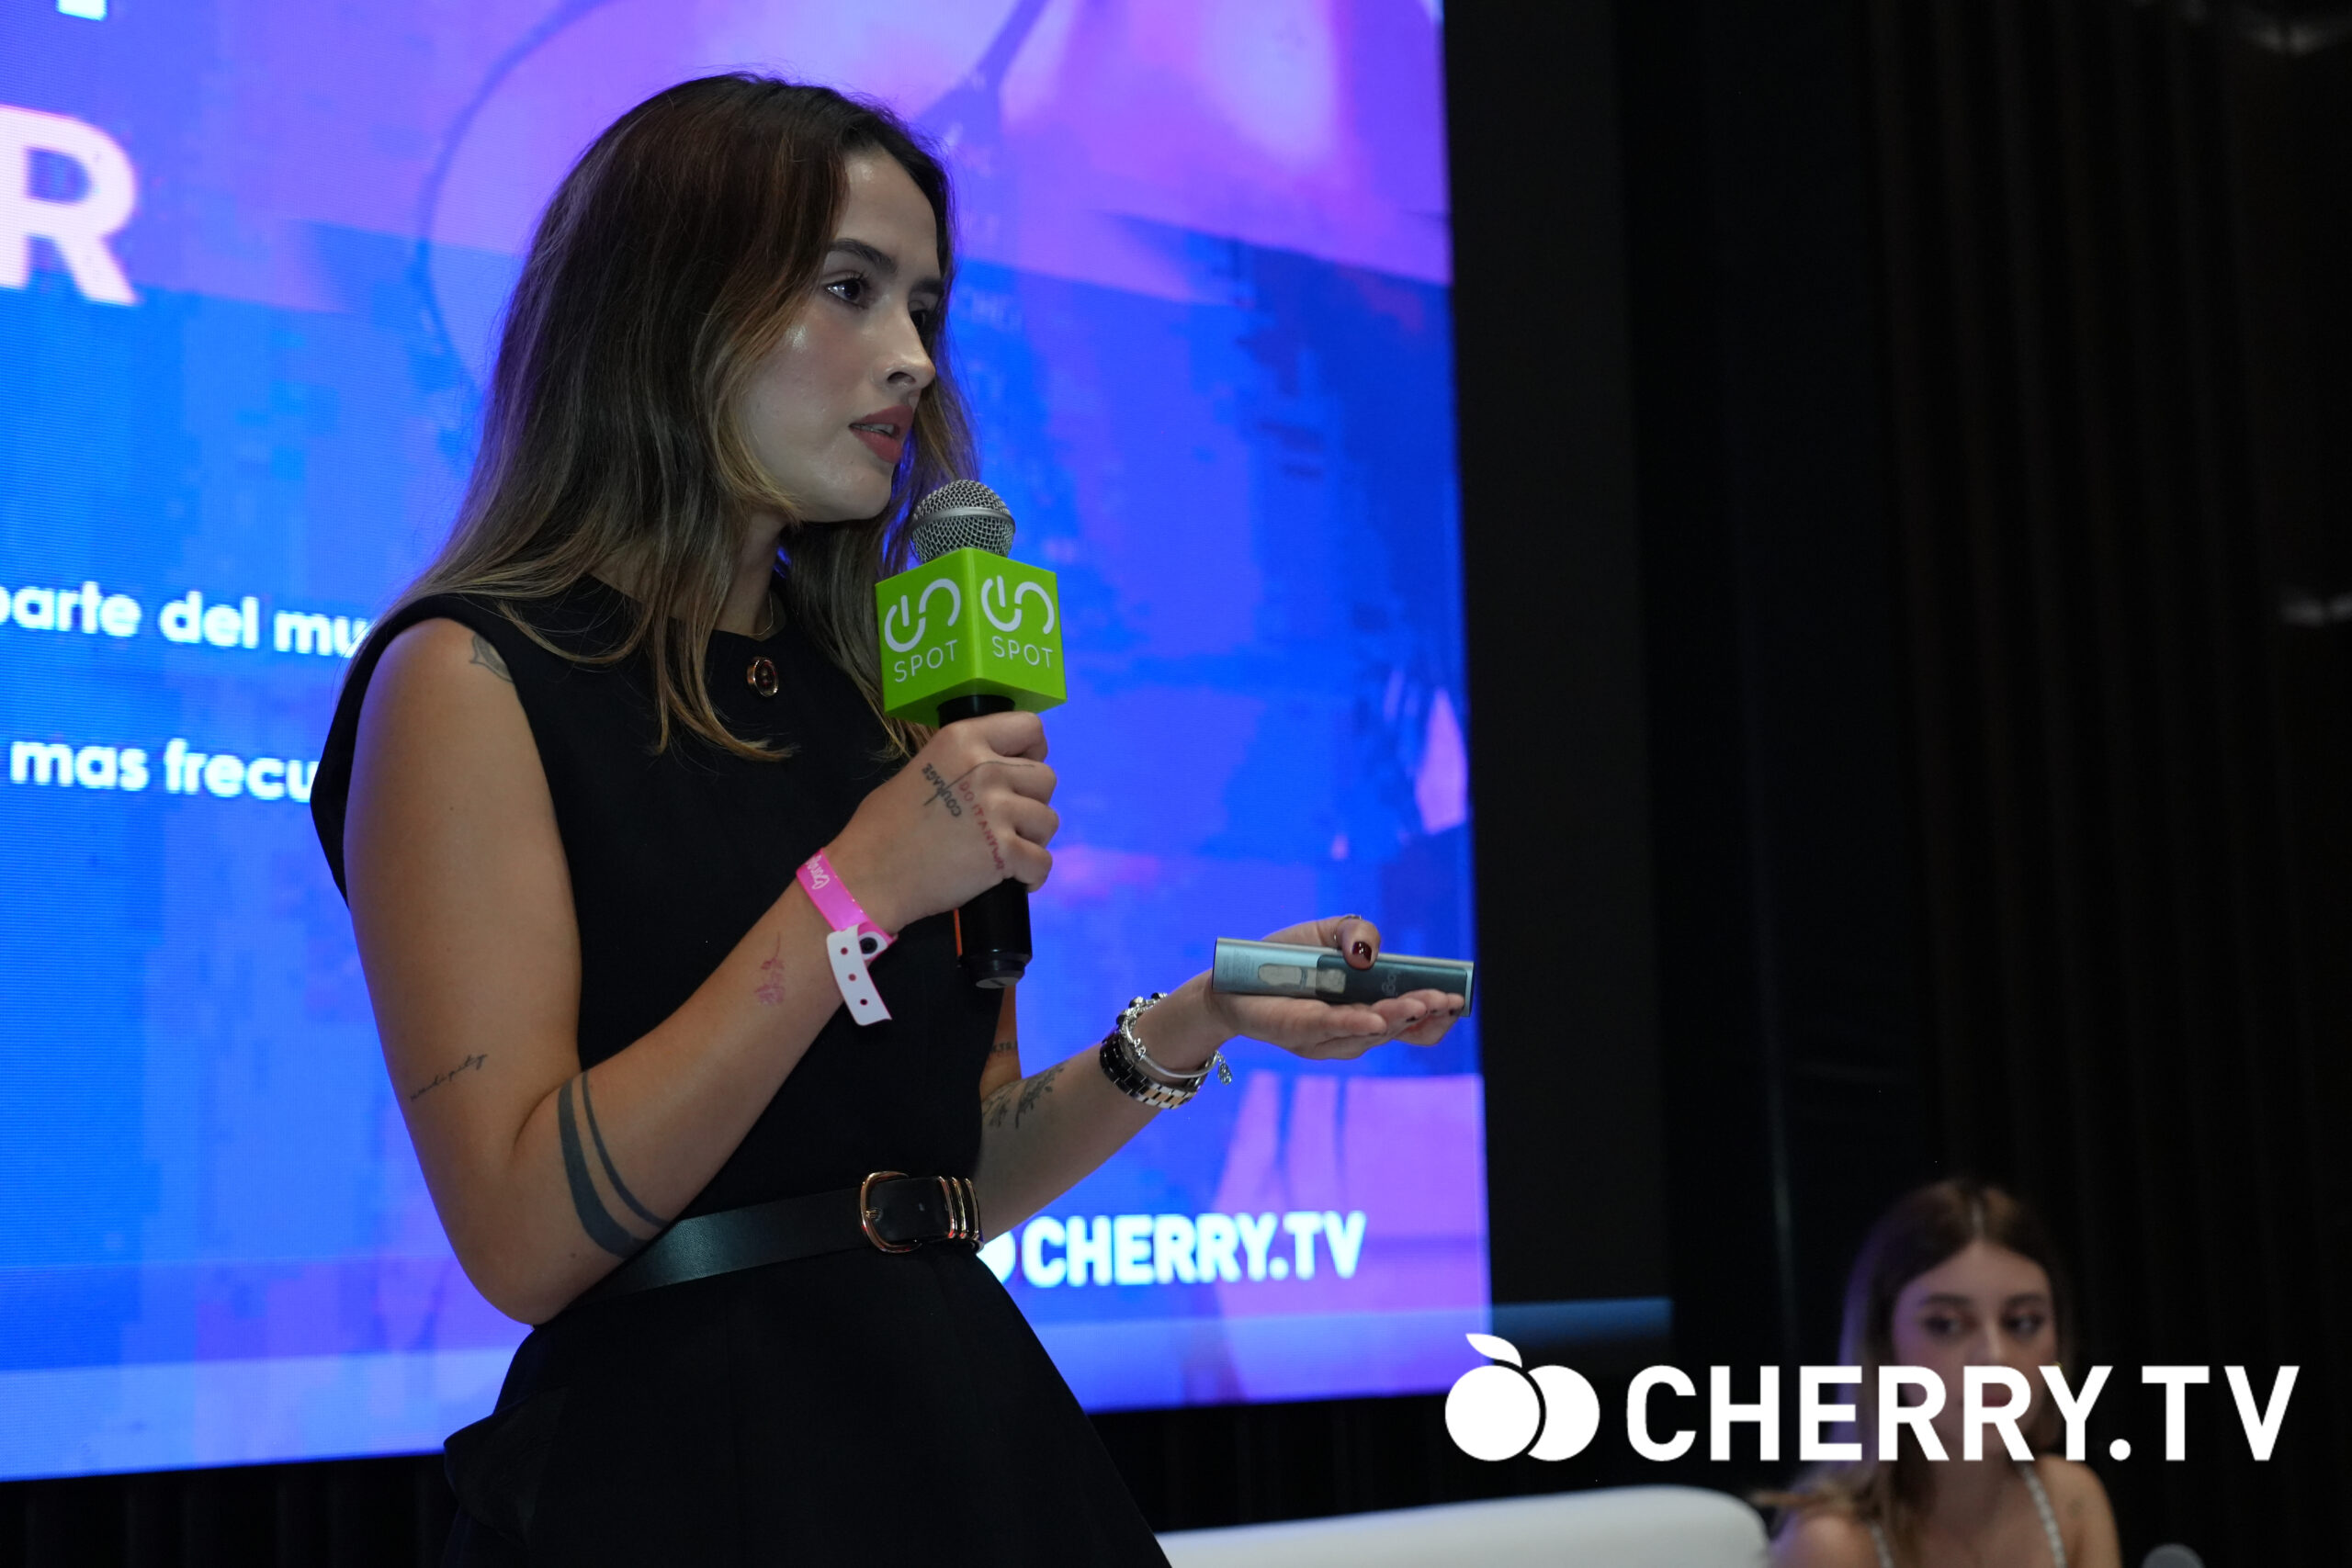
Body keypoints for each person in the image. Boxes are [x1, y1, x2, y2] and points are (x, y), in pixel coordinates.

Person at [310, 74, 1462, 1566]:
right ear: (669, 305)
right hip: (680, 1476)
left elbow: (942, 1185)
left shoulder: (883, 699)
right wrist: (850, 892)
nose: (913, 355)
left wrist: (1200, 1018)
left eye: (925, 304)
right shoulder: (469, 675)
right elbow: (525, 1234)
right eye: (849, 289)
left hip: (965, 1442)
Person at [1765, 1179, 2121, 1568]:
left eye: (2022, 1322)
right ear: (1883, 1346)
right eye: (1946, 1325)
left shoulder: (2074, 1500)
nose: (1995, 1357)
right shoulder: (1830, 1544)